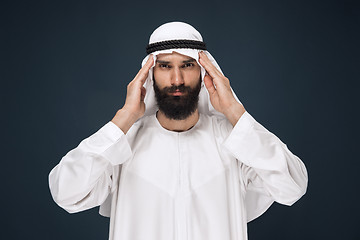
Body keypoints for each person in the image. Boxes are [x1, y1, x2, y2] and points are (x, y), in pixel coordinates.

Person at [49, 21, 308, 240]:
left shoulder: (233, 141)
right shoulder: (122, 146)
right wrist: (124, 118)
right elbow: (66, 193)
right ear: (149, 74)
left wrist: (234, 111)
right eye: (165, 66)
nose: (176, 80)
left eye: (187, 65)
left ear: (204, 72)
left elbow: (292, 187)